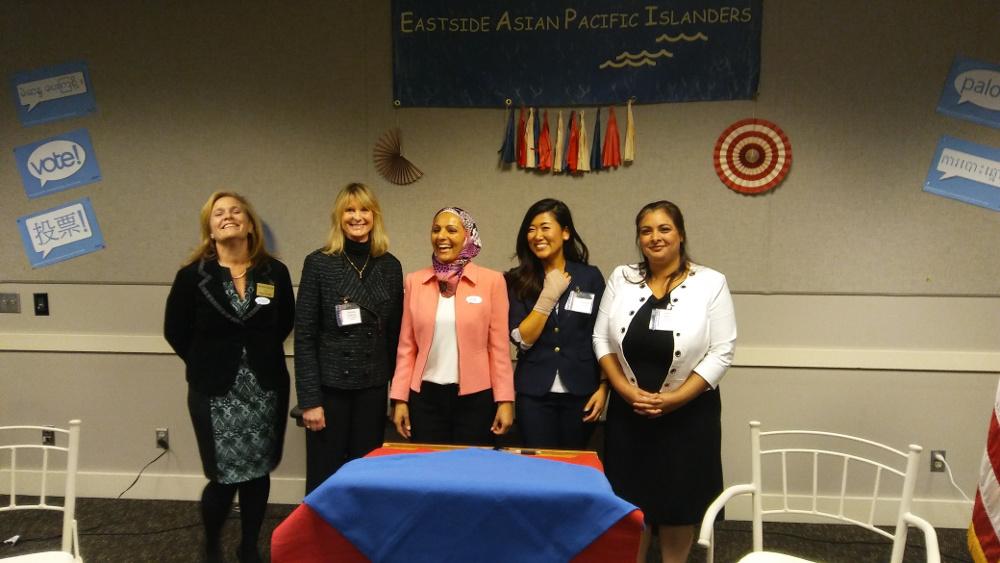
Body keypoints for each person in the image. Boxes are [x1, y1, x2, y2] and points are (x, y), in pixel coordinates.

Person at [592, 200, 737, 563]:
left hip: (688, 415)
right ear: (639, 238)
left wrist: (674, 400)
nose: (655, 237)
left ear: (680, 234)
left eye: (664, 229)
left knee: (677, 505)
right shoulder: (622, 277)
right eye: (646, 230)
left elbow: (722, 351)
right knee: (632, 506)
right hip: (630, 414)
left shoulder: (710, 282)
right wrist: (625, 392)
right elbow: (601, 340)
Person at [164, 191, 294, 563]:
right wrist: (209, 361)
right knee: (223, 477)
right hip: (214, 390)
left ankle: (249, 545)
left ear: (250, 224)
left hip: (264, 387)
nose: (227, 217)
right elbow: (175, 330)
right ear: (210, 228)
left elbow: (283, 322)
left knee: (258, 471)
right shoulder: (193, 277)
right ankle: (211, 545)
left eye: (235, 211)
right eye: (218, 213)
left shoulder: (275, 273)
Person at [294, 183, 404, 494]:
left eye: (364, 209)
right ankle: (319, 541)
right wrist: (310, 401)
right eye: (349, 209)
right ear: (339, 217)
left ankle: (358, 541)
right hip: (330, 391)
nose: (357, 216)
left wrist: (398, 397)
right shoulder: (319, 263)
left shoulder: (390, 265)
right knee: (324, 477)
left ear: (375, 215)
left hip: (371, 388)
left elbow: (395, 338)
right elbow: (304, 337)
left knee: (366, 474)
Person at [390, 207, 514, 446]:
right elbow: (406, 347)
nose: (441, 236)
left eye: (451, 230)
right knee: (429, 473)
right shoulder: (415, 281)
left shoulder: (492, 281)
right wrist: (399, 399)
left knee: (470, 474)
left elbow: (500, 349)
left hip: (476, 399)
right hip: (424, 398)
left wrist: (506, 401)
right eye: (436, 230)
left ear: (468, 236)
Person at [505, 199, 607, 450]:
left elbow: (603, 336)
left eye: (545, 227)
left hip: (582, 389)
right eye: (531, 229)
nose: (537, 235)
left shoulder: (590, 276)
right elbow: (522, 339)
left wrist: (604, 387)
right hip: (534, 392)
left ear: (565, 232)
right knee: (538, 465)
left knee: (574, 463)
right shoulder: (518, 278)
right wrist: (549, 294)